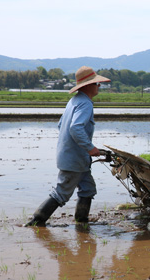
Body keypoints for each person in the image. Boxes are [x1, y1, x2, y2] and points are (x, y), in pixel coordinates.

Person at [25, 66, 110, 226]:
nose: (99, 87)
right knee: (61, 193)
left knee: (88, 188)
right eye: (96, 84)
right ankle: (37, 221)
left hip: (75, 157)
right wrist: (90, 148)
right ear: (88, 86)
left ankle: (81, 221)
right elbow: (75, 127)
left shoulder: (74, 101)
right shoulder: (85, 104)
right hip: (74, 160)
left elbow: (60, 125)